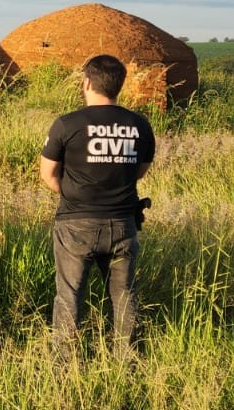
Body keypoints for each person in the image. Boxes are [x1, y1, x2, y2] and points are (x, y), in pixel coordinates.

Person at [39, 53, 155, 356]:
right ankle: (127, 362)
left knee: (69, 294)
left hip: (75, 224)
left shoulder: (67, 124)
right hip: (123, 224)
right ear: (120, 85)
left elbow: (48, 174)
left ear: (87, 82)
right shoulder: (139, 125)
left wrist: (76, 195)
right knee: (123, 294)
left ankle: (65, 365)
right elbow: (139, 172)